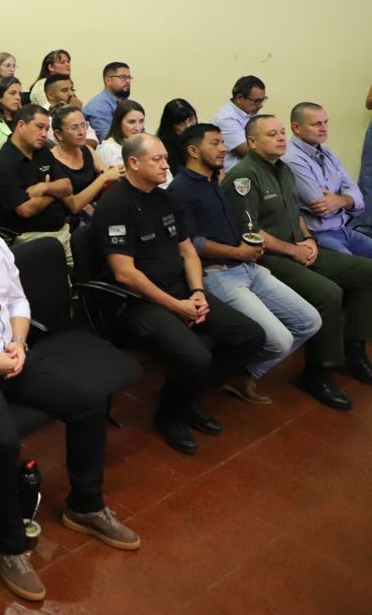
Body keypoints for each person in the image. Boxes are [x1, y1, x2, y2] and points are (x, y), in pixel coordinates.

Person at [0, 178, 138, 603]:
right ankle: (8, 544)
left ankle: (85, 506)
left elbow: (18, 302)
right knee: (1, 443)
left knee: (88, 404)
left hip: (12, 354)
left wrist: (18, 343)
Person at [92, 135, 266, 455]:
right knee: (196, 356)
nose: (166, 165)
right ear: (133, 163)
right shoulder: (115, 205)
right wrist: (177, 306)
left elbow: (188, 252)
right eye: (157, 159)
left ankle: (187, 395)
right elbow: (125, 274)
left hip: (181, 290)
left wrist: (197, 292)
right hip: (136, 303)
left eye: (165, 158)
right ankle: (169, 415)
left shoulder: (164, 198)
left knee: (250, 335)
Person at [222, 114, 372, 407]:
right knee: (328, 293)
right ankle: (318, 372)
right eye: (271, 134)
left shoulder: (283, 170)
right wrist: (293, 250)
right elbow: (250, 232)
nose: (281, 138)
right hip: (268, 258)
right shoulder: (243, 177)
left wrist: (308, 240)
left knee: (366, 271)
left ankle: (352, 352)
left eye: (281, 132)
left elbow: (296, 215)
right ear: (252, 142)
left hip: (298, 247)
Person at [168, 123, 322, 405]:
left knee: (310, 321)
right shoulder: (181, 189)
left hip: (249, 266)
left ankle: (245, 373)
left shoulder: (212, 180)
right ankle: (220, 377)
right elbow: (192, 243)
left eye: (222, 142)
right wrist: (238, 253)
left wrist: (249, 249)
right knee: (279, 341)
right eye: (215, 143)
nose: (223, 148)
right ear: (193, 150)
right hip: (218, 273)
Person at [283, 102, 372, 259]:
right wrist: (347, 199)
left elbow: (355, 192)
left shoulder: (327, 152)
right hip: (319, 235)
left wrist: (341, 200)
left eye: (326, 122)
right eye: (316, 124)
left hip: (343, 229)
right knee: (362, 270)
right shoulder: (291, 159)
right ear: (296, 128)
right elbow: (322, 207)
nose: (324, 128)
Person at [0, 105, 75, 260]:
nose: (44, 134)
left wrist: (43, 187)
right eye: (39, 127)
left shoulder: (42, 151)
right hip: (31, 240)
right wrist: (55, 193)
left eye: (46, 129)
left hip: (62, 230)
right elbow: (26, 209)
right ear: (21, 125)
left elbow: (67, 187)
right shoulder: (3, 164)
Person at [48, 104, 123, 221]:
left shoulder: (87, 150)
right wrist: (104, 178)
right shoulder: (52, 160)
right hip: (74, 219)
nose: (82, 132)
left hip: (97, 207)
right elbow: (73, 206)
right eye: (74, 128)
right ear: (59, 134)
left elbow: (106, 174)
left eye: (83, 125)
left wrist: (117, 173)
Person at [213, 75, 268, 172]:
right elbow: (250, 152)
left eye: (262, 100)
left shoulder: (250, 113)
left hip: (251, 171)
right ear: (239, 98)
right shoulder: (226, 118)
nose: (261, 106)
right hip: (232, 175)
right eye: (257, 101)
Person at [81, 62, 133, 142]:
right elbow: (107, 139)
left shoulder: (124, 102)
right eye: (123, 77)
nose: (128, 81)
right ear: (108, 80)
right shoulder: (99, 106)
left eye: (129, 77)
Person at [96, 99, 148, 170]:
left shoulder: (147, 145)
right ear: (119, 123)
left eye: (141, 121)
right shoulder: (108, 149)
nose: (138, 127)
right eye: (131, 122)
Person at [156, 99, 199, 178]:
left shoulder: (201, 138)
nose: (188, 126)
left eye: (190, 119)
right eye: (181, 123)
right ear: (170, 126)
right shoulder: (163, 148)